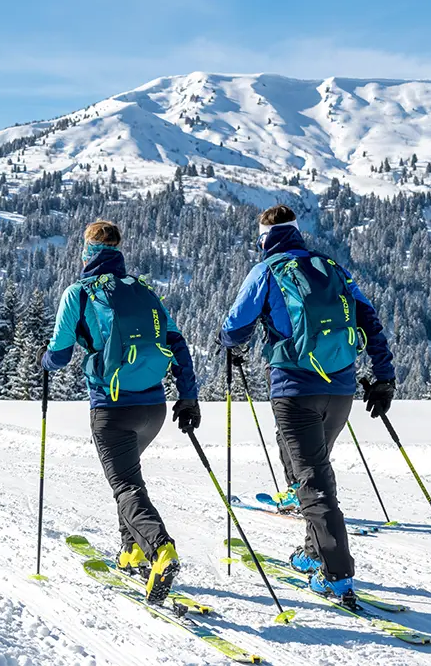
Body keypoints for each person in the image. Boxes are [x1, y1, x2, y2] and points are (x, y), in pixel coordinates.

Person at [219, 204, 396, 606]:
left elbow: (235, 325)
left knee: (314, 484)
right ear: (296, 231)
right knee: (310, 470)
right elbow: (369, 318)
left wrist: (230, 344)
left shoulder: (267, 270)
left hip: (295, 388)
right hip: (341, 387)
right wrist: (383, 376)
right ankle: (314, 551)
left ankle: (336, 575)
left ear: (264, 237)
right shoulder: (331, 267)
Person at [41, 219, 200, 605]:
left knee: (126, 486)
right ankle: (131, 550)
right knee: (129, 479)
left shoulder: (78, 293)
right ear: (118, 249)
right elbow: (176, 343)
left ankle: (161, 550)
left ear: (87, 251)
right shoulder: (144, 291)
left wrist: (44, 360)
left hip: (112, 407)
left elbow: (59, 355)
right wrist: (189, 396)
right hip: (154, 408)